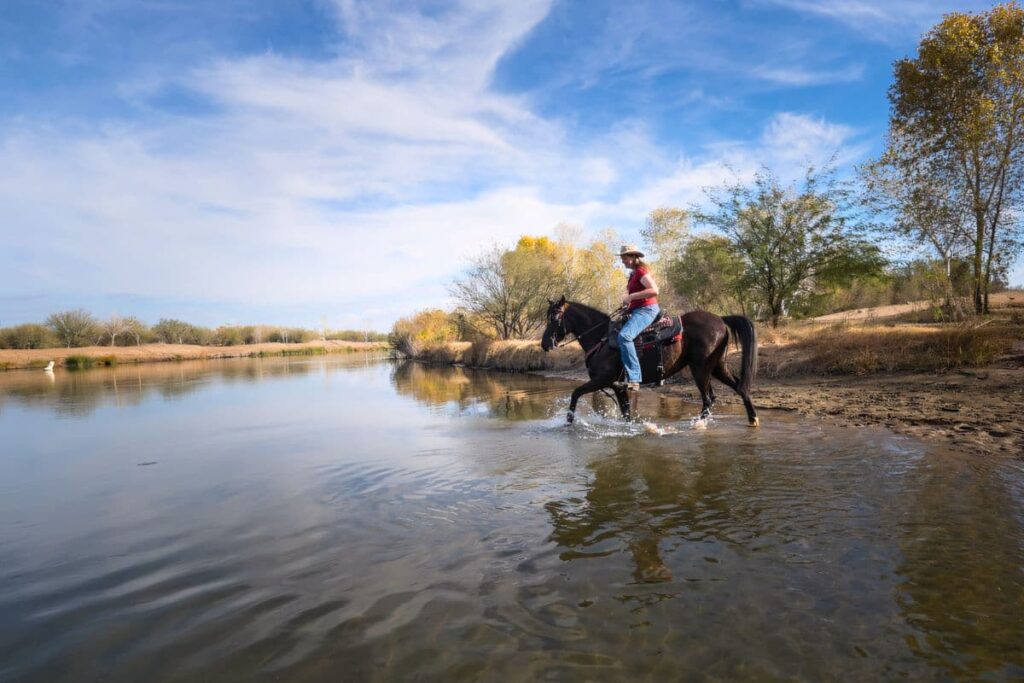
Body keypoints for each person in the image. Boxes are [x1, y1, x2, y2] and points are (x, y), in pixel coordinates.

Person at [614, 245, 660, 391]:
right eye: (622, 258)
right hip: (637, 310)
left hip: (647, 310)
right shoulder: (633, 274)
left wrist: (632, 296)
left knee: (625, 336)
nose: (623, 261)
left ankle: (634, 379)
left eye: (625, 258)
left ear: (634, 257)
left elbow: (654, 290)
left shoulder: (641, 271)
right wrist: (628, 306)